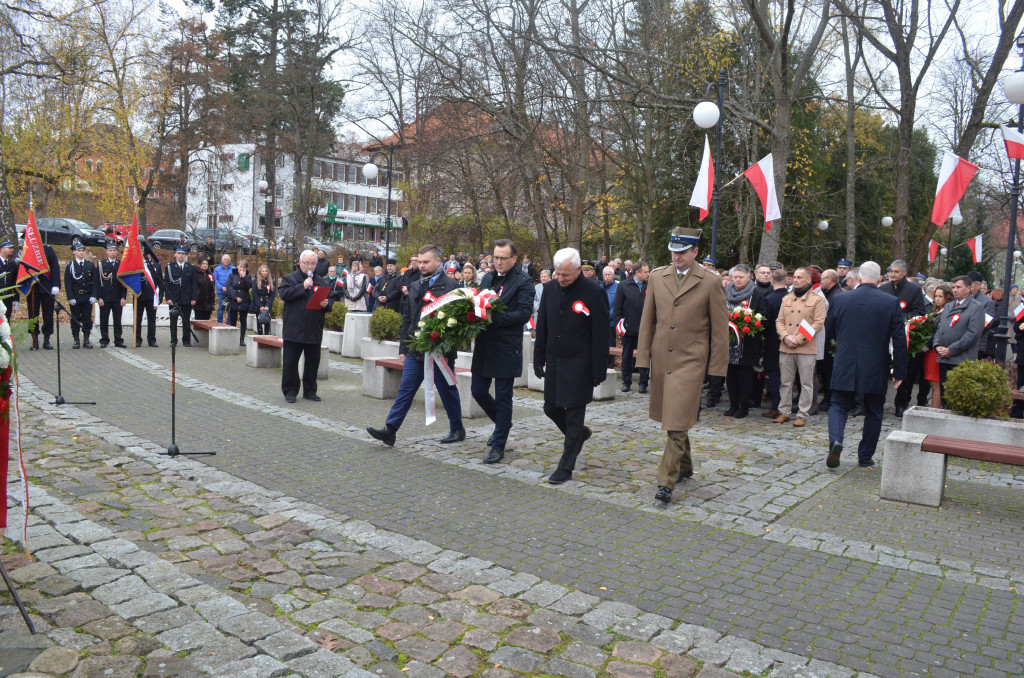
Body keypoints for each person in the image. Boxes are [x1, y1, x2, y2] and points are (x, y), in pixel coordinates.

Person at [636, 227, 727, 504]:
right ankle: (685, 465)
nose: (677, 257)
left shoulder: (710, 282)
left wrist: (717, 370)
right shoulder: (657, 277)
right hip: (663, 358)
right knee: (677, 418)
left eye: (683, 252)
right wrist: (643, 358)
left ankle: (666, 484)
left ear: (695, 251)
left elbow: (720, 331)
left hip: (691, 362)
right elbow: (647, 321)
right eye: (673, 252)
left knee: (675, 423)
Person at [367, 245, 464, 444]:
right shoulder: (415, 284)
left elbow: (458, 324)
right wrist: (403, 347)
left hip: (440, 351)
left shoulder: (451, 287)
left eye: (426, 262)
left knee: (447, 391)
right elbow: (408, 318)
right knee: (406, 389)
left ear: (438, 262)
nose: (421, 265)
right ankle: (390, 429)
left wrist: (446, 347)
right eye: (419, 262)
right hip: (415, 348)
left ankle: (457, 428)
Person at [534, 247, 609, 485]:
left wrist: (599, 368)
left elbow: (600, 334)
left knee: (575, 417)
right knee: (550, 408)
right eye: (557, 273)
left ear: (579, 270)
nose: (561, 279)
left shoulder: (593, 292)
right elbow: (542, 325)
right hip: (555, 361)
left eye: (566, 274)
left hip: (580, 364)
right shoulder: (550, 289)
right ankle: (579, 436)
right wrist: (538, 358)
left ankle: (566, 466)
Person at [825, 261, 907, 469]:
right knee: (874, 411)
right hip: (875, 364)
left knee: (838, 405)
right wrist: (899, 371)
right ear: (880, 279)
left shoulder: (841, 299)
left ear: (859, 278)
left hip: (845, 360)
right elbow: (899, 339)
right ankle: (865, 455)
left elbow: (830, 330)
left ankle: (836, 440)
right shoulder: (890, 302)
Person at [472, 240, 535, 464]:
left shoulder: (524, 282)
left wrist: (495, 318)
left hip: (507, 345)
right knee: (478, 390)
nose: (497, 262)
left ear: (514, 259)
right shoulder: (488, 277)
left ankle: (499, 445)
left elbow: (524, 314)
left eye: (502, 258)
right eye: (495, 257)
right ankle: (502, 424)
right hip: (485, 343)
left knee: (503, 396)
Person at [277, 249, 339, 402]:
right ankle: (290, 391)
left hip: (313, 329)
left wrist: (327, 304)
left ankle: (310, 391)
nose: (310, 267)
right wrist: (302, 286)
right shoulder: (289, 278)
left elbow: (331, 300)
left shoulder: (321, 281)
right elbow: (284, 294)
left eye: (313, 264)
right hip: (294, 329)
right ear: (300, 263)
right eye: (307, 263)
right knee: (290, 362)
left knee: (312, 362)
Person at [773, 267, 826, 427]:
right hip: (786, 345)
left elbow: (818, 323)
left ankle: (802, 414)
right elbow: (779, 321)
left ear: (809, 280)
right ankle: (784, 411)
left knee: (806, 383)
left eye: (799, 277)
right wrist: (785, 336)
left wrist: (798, 339)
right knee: (786, 382)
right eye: (794, 277)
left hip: (806, 347)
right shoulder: (786, 298)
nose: (795, 280)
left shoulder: (817, 300)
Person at [879, 259, 927, 415]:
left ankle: (901, 402)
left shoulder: (914, 290)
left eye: (896, 271)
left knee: (905, 370)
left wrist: (899, 318)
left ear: (905, 272)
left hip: (904, 336)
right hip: (884, 337)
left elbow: (919, 313)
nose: (892, 274)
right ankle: (878, 400)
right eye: (891, 271)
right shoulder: (883, 288)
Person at [933, 275, 985, 403]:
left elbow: (973, 333)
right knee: (945, 397)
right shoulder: (949, 306)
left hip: (961, 360)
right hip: (944, 358)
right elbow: (940, 328)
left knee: (958, 398)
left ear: (968, 288)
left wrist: (952, 349)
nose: (955, 290)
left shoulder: (976, 307)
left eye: (959, 287)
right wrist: (937, 345)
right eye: (953, 287)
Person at [724, 264, 766, 418]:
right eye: (735, 277)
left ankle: (744, 406)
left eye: (741, 277)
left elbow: (763, 315)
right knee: (730, 376)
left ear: (749, 277)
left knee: (744, 376)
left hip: (746, 344)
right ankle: (733, 404)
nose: (738, 279)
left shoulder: (756, 294)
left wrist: (751, 323)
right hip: (728, 343)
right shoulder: (726, 291)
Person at [612, 260, 650, 393]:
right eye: (645, 272)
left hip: (646, 329)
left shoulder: (650, 285)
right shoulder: (624, 285)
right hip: (628, 328)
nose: (648, 274)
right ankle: (626, 382)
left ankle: (643, 383)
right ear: (637, 272)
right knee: (627, 356)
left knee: (644, 357)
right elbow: (617, 307)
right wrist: (619, 325)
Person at [761, 267, 788, 418]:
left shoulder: (769, 299)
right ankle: (785, 405)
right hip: (789, 341)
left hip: (773, 342)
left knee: (775, 376)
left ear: (772, 281)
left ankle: (777, 406)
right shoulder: (790, 297)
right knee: (787, 377)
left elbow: (766, 323)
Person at [816, 269, 844, 411]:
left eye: (823, 278)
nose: (821, 281)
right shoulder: (827, 293)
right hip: (823, 336)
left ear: (831, 279)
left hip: (830, 338)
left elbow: (833, 318)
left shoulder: (837, 295)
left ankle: (829, 398)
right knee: (824, 370)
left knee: (828, 371)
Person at [25, 242, 61, 350]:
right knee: (32, 315)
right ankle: (34, 338)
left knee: (48, 314)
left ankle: (47, 339)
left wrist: (56, 285)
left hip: (47, 288)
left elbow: (55, 267)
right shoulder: (27, 251)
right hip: (32, 288)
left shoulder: (48, 250)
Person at [64, 243, 97, 349]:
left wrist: (94, 295)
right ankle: (76, 340)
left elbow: (95, 282)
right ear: (74, 252)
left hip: (87, 296)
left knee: (87, 318)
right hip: (76, 296)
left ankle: (86, 340)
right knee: (75, 318)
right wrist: (70, 297)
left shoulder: (90, 265)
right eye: (78, 250)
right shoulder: (70, 266)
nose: (81, 252)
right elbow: (68, 283)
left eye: (83, 250)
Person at [923, 284, 951, 407]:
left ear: (947, 298)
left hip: (935, 350)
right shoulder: (937, 310)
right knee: (932, 381)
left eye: (940, 296)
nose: (937, 299)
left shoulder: (946, 312)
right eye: (936, 296)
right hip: (930, 351)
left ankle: (935, 410)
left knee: (935, 382)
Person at [95, 241, 127, 348]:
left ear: (117, 252)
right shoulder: (101, 264)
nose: (112, 252)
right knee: (104, 320)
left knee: (117, 320)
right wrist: (99, 297)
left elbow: (123, 283)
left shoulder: (121, 264)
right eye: (110, 250)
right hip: (105, 297)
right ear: (106, 252)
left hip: (117, 297)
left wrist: (123, 296)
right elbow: (98, 282)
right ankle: (104, 339)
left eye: (114, 250)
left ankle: (118, 340)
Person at [164, 245, 198, 347]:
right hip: (174, 297)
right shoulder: (170, 267)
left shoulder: (190, 267)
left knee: (186, 320)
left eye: (183, 254)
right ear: (175, 255)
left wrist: (193, 298)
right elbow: (167, 283)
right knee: (173, 320)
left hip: (187, 298)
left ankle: (186, 340)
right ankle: (173, 340)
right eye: (179, 253)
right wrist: (168, 298)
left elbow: (194, 284)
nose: (181, 256)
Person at [134, 244, 162, 347]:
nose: (147, 255)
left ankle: (152, 339)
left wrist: (160, 296)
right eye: (144, 253)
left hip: (152, 296)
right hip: (139, 296)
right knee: (137, 319)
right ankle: (137, 339)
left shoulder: (156, 265)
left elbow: (160, 282)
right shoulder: (137, 265)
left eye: (148, 253)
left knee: (151, 319)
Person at [967, 271, 997, 360]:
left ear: (978, 285)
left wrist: (968, 330)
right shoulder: (964, 298)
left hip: (977, 342)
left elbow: (986, 324)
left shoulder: (987, 302)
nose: (967, 285)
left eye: (970, 283)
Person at [228, 259, 253, 345]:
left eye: (244, 267)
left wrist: (244, 277)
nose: (242, 269)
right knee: (233, 320)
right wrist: (235, 297)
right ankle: (232, 338)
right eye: (240, 267)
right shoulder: (232, 275)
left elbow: (249, 286)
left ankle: (242, 338)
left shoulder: (248, 276)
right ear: (237, 266)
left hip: (244, 300)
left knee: (243, 320)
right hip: (234, 300)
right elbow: (229, 287)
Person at [601, 266, 619, 367]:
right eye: (605, 274)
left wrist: (606, 316)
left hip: (611, 323)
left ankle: (610, 365)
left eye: (609, 274)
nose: (607, 276)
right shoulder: (600, 287)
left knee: (611, 345)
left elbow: (616, 305)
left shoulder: (618, 287)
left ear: (613, 275)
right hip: (600, 323)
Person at [252, 264, 275, 335]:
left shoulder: (270, 281)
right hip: (259, 303)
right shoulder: (255, 281)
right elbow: (254, 294)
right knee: (259, 322)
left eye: (266, 271)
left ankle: (267, 337)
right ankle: (260, 335)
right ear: (260, 272)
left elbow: (272, 294)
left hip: (267, 303)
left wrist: (268, 305)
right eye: (263, 271)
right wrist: (260, 306)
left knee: (267, 322)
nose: (264, 272)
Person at [0, 240, 18, 322]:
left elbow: (15, 282)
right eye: (10, 248)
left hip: (8, 297)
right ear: (2, 250)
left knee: (6, 320)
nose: (12, 250)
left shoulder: (12, 264)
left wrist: (16, 298)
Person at [213, 254, 234, 323]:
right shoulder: (217, 269)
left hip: (230, 292)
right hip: (221, 292)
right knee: (220, 309)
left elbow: (235, 280)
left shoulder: (234, 269)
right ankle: (219, 322)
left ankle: (229, 323)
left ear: (230, 261)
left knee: (229, 308)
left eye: (227, 259)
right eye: (225, 259)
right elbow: (215, 280)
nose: (226, 261)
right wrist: (221, 287)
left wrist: (230, 288)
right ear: (222, 260)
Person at [194, 257, 216, 321]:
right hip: (199, 302)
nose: (205, 265)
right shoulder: (195, 274)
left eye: (206, 264)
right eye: (203, 264)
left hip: (208, 303)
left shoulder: (210, 274)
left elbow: (213, 285)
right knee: (199, 320)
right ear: (199, 264)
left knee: (206, 320)